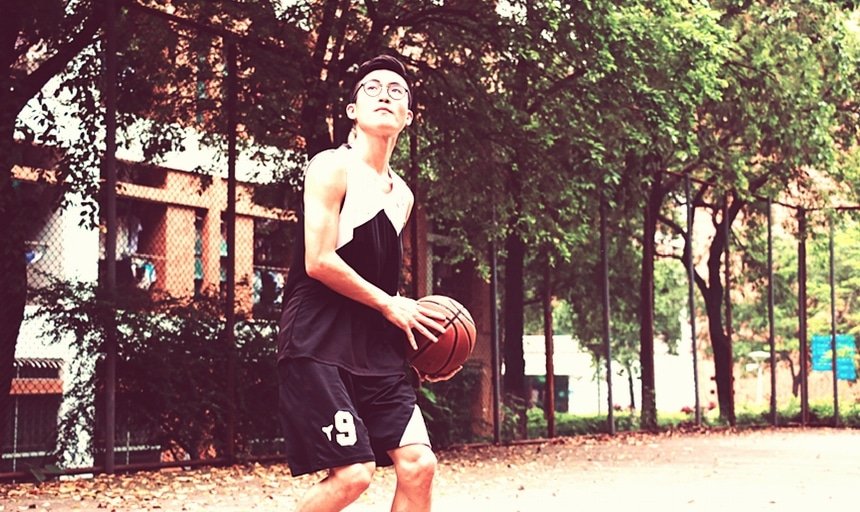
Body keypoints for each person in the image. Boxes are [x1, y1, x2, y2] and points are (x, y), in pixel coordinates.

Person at [277, 54, 447, 512]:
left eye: (397, 90)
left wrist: (414, 334)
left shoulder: (404, 196)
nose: (385, 95)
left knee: (419, 465)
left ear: (408, 117)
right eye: (372, 88)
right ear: (352, 111)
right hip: (316, 337)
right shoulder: (331, 167)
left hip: (373, 344)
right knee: (354, 474)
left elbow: (378, 284)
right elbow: (319, 261)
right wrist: (392, 305)